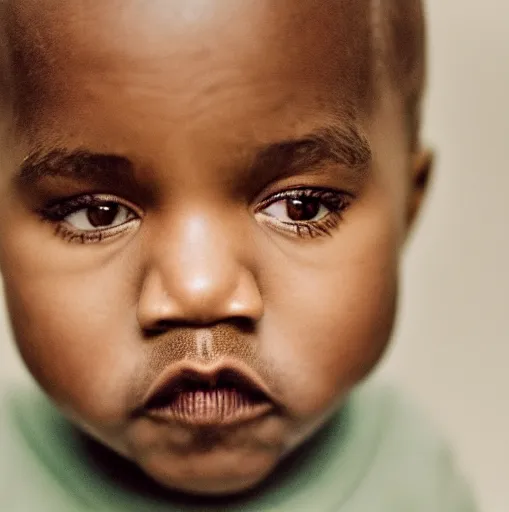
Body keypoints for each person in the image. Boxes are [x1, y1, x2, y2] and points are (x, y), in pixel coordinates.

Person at [0, 0, 478, 510]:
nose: (198, 291)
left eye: (301, 207)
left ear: (408, 206)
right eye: (96, 213)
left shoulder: (416, 480)